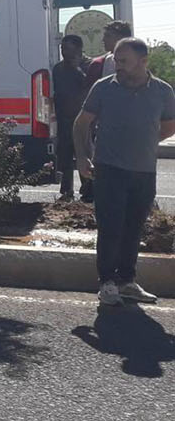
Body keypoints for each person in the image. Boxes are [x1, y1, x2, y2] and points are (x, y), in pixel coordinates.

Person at [74, 37, 175, 306]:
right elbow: (81, 124)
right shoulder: (103, 88)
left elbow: (169, 126)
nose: (117, 66)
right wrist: (82, 157)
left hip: (144, 171)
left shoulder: (163, 91)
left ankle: (127, 282)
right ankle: (107, 282)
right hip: (109, 170)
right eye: (116, 60)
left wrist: (145, 141)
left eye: (124, 61)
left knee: (134, 229)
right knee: (111, 228)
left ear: (143, 62)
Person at [79, 20, 133, 202]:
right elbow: (90, 101)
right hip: (104, 129)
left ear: (121, 38)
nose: (103, 41)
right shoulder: (100, 64)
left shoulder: (141, 63)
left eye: (108, 36)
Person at [51, 34, 88, 201]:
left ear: (79, 49)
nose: (64, 52)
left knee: (84, 155)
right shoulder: (58, 69)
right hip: (64, 120)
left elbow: (91, 87)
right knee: (65, 156)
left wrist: (77, 69)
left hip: (83, 121)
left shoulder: (89, 65)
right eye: (62, 49)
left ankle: (88, 191)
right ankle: (66, 191)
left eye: (68, 49)